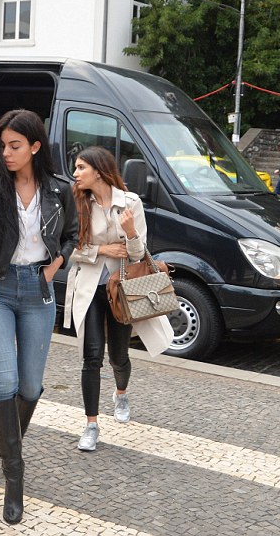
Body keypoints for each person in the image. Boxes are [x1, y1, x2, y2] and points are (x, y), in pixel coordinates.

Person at [0, 109, 78, 525]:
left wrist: (54, 266)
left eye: (15, 146)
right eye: (3, 146)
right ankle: (14, 475)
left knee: (30, 385)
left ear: (35, 147)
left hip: (38, 292)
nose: (5, 153)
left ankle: (10, 444)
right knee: (5, 383)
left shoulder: (59, 190)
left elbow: (73, 235)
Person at [63, 146, 171, 453]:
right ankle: (91, 425)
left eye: (81, 167)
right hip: (89, 288)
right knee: (91, 356)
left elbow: (138, 255)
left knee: (119, 356)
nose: (75, 173)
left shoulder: (131, 203)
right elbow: (66, 249)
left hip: (123, 289)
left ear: (98, 171)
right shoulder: (76, 202)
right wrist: (101, 250)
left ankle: (121, 393)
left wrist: (131, 232)